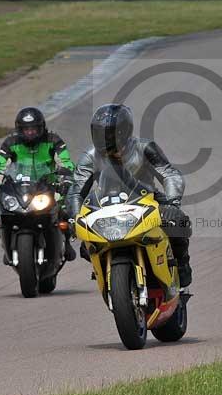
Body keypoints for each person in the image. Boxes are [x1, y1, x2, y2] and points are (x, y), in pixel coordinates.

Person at [67, 104, 194, 287]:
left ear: (123, 131)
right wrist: (73, 216)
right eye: (100, 132)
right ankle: (108, 276)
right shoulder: (90, 156)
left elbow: (169, 174)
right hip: (104, 204)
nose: (105, 138)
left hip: (147, 199)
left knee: (178, 221)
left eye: (109, 133)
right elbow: (76, 190)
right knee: (86, 247)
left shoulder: (144, 148)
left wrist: (173, 202)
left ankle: (181, 265)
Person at [0, 107, 77, 262]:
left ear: (41, 127)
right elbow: (0, 166)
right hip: (19, 187)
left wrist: (66, 180)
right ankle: (6, 243)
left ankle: (66, 242)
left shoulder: (53, 140)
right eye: (26, 129)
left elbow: (66, 162)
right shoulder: (10, 143)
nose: (30, 132)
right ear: (19, 129)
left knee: (64, 210)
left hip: (47, 186)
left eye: (34, 129)